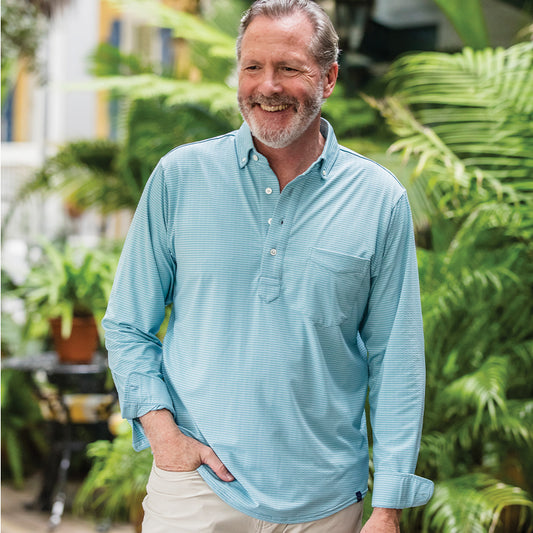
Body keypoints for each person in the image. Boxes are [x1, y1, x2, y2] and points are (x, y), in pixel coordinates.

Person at [102, 0, 434, 531]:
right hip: (196, 488)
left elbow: (396, 359)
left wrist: (389, 506)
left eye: (289, 68)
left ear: (329, 78)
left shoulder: (378, 199)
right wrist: (164, 436)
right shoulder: (180, 178)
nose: (268, 86)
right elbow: (127, 324)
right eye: (253, 66)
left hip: (326, 502)